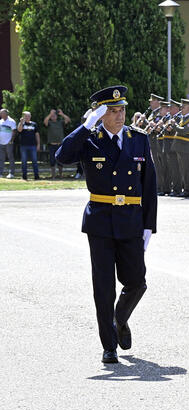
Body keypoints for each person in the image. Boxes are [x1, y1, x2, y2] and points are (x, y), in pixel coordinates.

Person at [55, 85, 157, 363]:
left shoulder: (139, 139)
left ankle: (119, 319)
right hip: (100, 220)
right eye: (112, 111)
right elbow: (62, 157)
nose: (120, 115)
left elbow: (149, 186)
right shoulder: (90, 138)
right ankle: (108, 345)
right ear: (100, 115)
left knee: (137, 281)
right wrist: (86, 126)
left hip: (131, 220)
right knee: (103, 286)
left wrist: (150, 226)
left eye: (122, 109)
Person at [44, 108, 71, 177]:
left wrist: (62, 114)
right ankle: (53, 176)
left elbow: (68, 120)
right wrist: (50, 114)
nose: (53, 116)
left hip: (60, 145)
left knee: (60, 160)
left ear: (57, 116)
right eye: (52, 116)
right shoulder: (49, 123)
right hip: (52, 145)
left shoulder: (60, 122)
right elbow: (45, 122)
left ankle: (60, 175)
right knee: (52, 161)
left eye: (54, 115)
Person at [17, 110, 41, 180]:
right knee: (24, 162)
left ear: (30, 116)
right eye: (26, 116)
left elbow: (37, 135)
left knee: (35, 161)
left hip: (33, 145)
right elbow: (19, 130)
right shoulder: (21, 124)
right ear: (23, 117)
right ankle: (24, 176)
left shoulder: (34, 124)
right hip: (23, 146)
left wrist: (38, 144)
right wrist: (21, 122)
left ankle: (36, 176)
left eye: (29, 116)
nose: (28, 117)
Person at [0, 108, 16, 177]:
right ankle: (0, 173)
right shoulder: (0, 121)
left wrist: (11, 140)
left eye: (2, 113)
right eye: (0, 113)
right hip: (1, 142)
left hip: (8, 143)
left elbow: (14, 132)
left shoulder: (11, 121)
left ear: (6, 114)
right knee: (1, 158)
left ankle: (11, 173)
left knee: (10, 158)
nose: (1, 114)